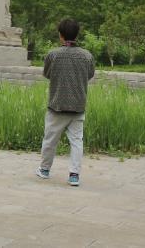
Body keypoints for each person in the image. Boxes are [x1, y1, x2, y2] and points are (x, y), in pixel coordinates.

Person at [36, 18, 95, 188]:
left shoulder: (53, 55)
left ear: (60, 35)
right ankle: (74, 175)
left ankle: (45, 169)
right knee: (77, 141)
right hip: (78, 106)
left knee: (50, 139)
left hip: (57, 105)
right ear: (77, 34)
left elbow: (47, 74)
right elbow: (89, 75)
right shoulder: (87, 56)